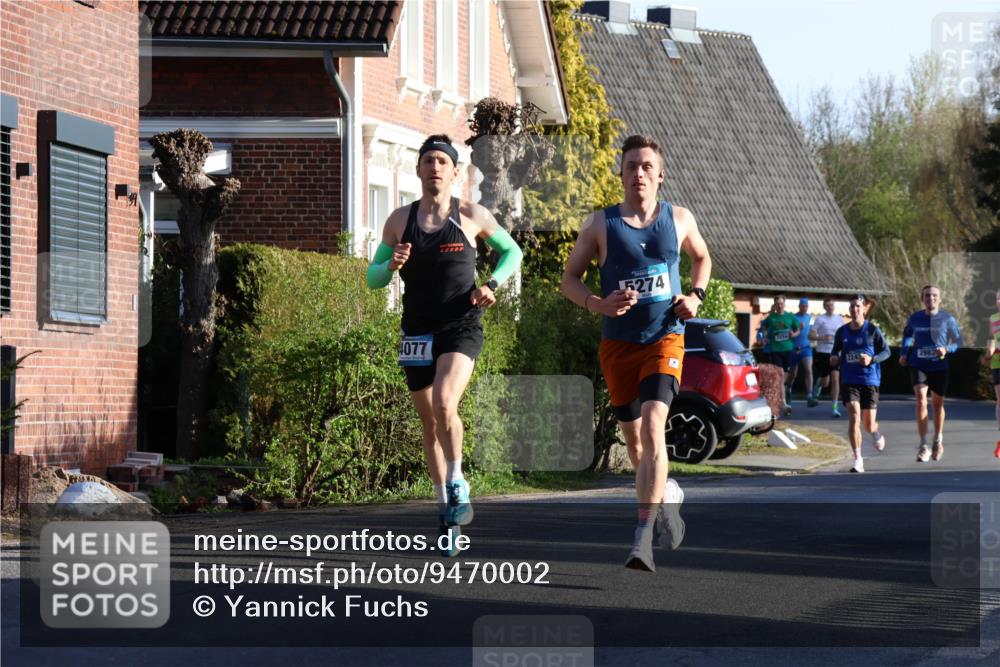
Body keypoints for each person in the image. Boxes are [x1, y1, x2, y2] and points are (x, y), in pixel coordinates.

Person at [561, 134, 711, 572]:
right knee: (635, 444)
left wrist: (696, 296)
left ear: (660, 175)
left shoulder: (679, 218)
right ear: (621, 174)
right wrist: (598, 303)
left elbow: (702, 258)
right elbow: (569, 280)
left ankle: (642, 538)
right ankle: (668, 495)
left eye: (647, 167)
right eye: (631, 166)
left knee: (653, 425)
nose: (639, 173)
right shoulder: (599, 224)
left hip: (664, 338)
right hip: (618, 345)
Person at [366, 134, 523, 554]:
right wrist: (389, 265)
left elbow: (512, 253)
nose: (434, 167)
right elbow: (372, 278)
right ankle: (446, 510)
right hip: (416, 331)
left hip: (460, 326)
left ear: (455, 172)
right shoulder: (399, 221)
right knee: (430, 424)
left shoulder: (470, 214)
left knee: (444, 403)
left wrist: (492, 285)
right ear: (418, 169)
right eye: (428, 160)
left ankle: (457, 482)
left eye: (442, 161)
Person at [899, 285, 962, 463]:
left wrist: (946, 349)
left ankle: (938, 440)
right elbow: (907, 336)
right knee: (920, 400)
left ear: (940, 299)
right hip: (918, 364)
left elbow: (958, 341)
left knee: (937, 404)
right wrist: (903, 353)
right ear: (922, 299)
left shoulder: (947, 319)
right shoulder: (915, 318)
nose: (931, 298)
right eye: (927, 295)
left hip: (939, 366)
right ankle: (923, 445)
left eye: (934, 295)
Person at [830, 295, 890, 473]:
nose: (854, 309)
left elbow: (886, 351)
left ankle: (876, 433)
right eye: (852, 306)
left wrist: (872, 359)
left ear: (864, 308)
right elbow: (835, 351)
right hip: (849, 380)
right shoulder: (842, 332)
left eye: (857, 306)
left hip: (869, 380)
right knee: (854, 416)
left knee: (868, 424)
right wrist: (834, 358)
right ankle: (858, 459)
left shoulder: (872, 330)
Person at [760, 295, 800, 416]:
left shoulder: (790, 317)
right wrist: (764, 337)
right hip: (775, 350)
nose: (779, 306)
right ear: (775, 305)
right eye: (777, 304)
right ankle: (783, 403)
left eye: (781, 303)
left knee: (788, 376)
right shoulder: (771, 318)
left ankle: (785, 391)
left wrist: (794, 334)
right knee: (781, 374)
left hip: (788, 349)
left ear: (784, 304)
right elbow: (764, 328)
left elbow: (798, 330)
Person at [811, 297, 847, 418]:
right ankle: (818, 385)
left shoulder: (839, 319)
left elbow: (844, 334)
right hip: (822, 352)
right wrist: (822, 338)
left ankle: (835, 407)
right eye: (827, 305)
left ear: (834, 306)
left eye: (831, 305)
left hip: (835, 353)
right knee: (825, 382)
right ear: (824, 307)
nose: (830, 307)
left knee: (835, 378)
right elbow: (810, 335)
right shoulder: (820, 319)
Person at [790, 297, 818, 408]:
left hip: (806, 348)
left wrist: (816, 338)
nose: (804, 308)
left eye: (806, 306)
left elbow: (813, 332)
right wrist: (798, 329)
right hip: (794, 348)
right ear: (799, 306)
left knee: (808, 369)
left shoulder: (810, 318)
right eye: (803, 306)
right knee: (793, 374)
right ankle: (788, 388)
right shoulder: (793, 318)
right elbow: (790, 332)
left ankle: (809, 395)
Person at [983, 288, 1000, 458]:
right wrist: (989, 353)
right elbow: (992, 338)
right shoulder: (993, 318)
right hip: (998, 362)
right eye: (998, 299)